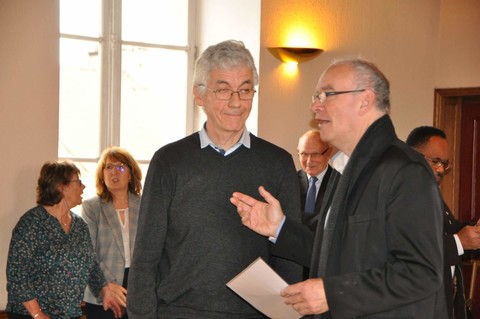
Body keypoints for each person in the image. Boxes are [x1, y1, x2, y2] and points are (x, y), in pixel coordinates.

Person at [230, 58, 448, 318]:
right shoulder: (348, 166)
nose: (315, 106)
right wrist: (278, 228)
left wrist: (331, 294)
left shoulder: (404, 171)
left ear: (365, 100)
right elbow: (336, 253)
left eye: (327, 94)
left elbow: (421, 273)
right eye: (316, 96)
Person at [127, 40, 302, 318]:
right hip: (178, 313)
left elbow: (290, 258)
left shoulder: (278, 163)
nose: (236, 102)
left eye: (245, 90)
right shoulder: (169, 161)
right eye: (223, 90)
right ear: (199, 95)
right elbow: (146, 255)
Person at [6, 161, 122, 319]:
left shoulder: (79, 225)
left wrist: (104, 290)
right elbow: (17, 275)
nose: (83, 187)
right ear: (61, 186)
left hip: (70, 314)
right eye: (78, 182)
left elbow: (91, 264)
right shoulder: (31, 223)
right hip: (31, 315)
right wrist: (37, 314)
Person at [406, 126, 480, 319]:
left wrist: (474, 230)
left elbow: (450, 230)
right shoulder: (399, 198)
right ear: (411, 156)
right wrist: (459, 242)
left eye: (444, 163)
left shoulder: (431, 195)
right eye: (435, 161)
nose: (440, 169)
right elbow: (412, 252)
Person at [81, 147, 143, 319]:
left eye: (121, 167)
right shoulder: (91, 207)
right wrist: (107, 283)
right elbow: (88, 252)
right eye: (108, 167)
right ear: (102, 174)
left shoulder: (145, 205)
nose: (114, 172)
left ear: (131, 174)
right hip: (102, 288)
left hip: (138, 285)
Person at [297, 129, 334, 232]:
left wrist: (297, 218)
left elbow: (334, 221)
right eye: (304, 154)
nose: (309, 161)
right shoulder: (289, 181)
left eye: (315, 154)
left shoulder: (339, 182)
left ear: (328, 153)